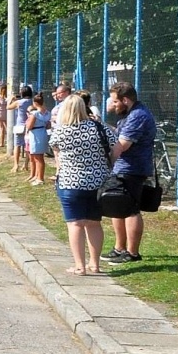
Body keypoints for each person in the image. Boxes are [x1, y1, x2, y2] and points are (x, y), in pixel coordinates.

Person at [49, 94, 111, 276]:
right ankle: (95, 264)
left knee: (75, 224)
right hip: (98, 183)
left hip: (70, 182)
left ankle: (79, 266)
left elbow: (54, 149)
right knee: (94, 223)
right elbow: (115, 147)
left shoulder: (61, 131)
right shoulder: (98, 128)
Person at [104, 82, 155, 264]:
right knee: (118, 207)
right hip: (122, 168)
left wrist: (106, 166)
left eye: (115, 102)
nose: (113, 105)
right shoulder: (128, 115)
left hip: (133, 169)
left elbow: (122, 145)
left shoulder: (138, 115)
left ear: (126, 100)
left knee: (131, 209)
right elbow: (118, 134)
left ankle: (132, 253)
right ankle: (119, 248)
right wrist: (101, 125)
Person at [26, 93, 52, 186]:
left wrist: (27, 122)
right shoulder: (47, 113)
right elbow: (49, 125)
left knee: (38, 158)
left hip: (35, 134)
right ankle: (37, 176)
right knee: (38, 157)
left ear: (35, 103)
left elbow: (29, 126)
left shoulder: (34, 114)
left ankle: (40, 178)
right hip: (43, 133)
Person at [12, 86, 35, 172]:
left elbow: (9, 107)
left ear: (22, 93)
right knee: (27, 146)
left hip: (20, 125)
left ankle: (16, 165)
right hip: (30, 125)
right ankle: (25, 164)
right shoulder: (33, 102)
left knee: (17, 145)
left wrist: (12, 99)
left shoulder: (19, 102)